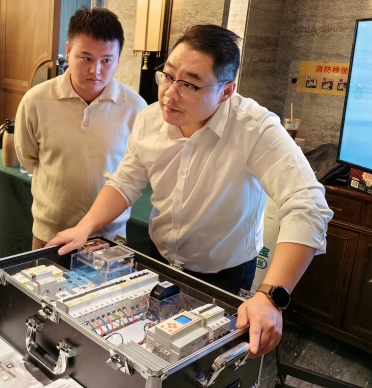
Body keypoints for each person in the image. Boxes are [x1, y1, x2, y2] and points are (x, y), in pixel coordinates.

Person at [48, 24, 333, 357]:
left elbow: (307, 204)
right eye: (168, 76)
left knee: (203, 365)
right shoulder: (150, 119)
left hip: (223, 275)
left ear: (226, 91)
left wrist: (271, 297)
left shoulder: (254, 127)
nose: (170, 94)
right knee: (148, 350)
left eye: (189, 85)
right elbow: (125, 182)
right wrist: (85, 227)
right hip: (160, 261)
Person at [15, 7, 147, 250]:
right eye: (86, 58)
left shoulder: (136, 108)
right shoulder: (36, 100)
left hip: (110, 237)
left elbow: (135, 173)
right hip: (50, 232)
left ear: (119, 59)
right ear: (68, 50)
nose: (96, 70)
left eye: (106, 60)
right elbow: (28, 157)